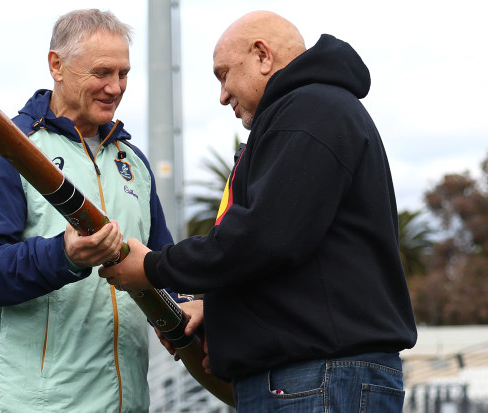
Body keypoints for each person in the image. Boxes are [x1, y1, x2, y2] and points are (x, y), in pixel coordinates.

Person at [100, 10, 418, 412]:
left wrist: (152, 268)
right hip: (316, 377)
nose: (222, 95)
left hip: (317, 378)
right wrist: (221, 314)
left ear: (262, 55)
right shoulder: (314, 111)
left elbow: (263, 238)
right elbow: (294, 258)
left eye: (223, 74)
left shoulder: (308, 112)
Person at [0, 9, 192, 413]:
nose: (115, 88)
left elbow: (160, 268)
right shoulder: (8, 149)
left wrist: (187, 307)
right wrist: (62, 257)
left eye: (123, 73)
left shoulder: (134, 163)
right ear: (56, 65)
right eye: (102, 72)